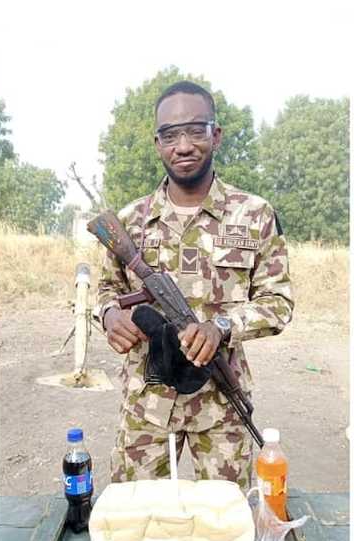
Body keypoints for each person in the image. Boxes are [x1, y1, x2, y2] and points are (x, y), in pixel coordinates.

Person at [95, 81, 293, 488]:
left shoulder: (254, 215)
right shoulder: (129, 222)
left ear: (215, 135)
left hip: (221, 407)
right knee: (133, 522)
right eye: (170, 135)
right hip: (146, 404)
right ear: (157, 143)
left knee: (225, 527)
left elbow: (278, 301)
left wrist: (222, 327)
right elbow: (105, 290)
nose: (183, 145)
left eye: (195, 130)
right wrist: (110, 314)